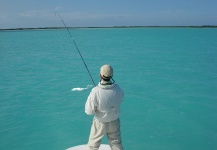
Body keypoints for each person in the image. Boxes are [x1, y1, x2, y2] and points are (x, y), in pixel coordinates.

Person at [85, 64, 124, 150]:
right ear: (112, 76)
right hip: (114, 121)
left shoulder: (95, 91)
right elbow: (120, 100)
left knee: (93, 146)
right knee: (116, 144)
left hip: (100, 122)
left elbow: (89, 111)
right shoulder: (118, 89)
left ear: (100, 75)